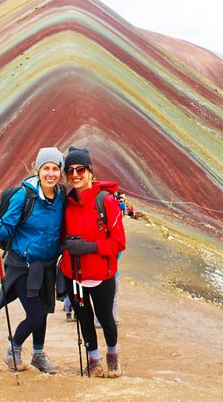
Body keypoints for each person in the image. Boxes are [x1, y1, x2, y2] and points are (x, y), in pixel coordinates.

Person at [0, 147, 65, 374]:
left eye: (55, 168)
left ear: (61, 171)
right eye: (46, 168)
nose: (51, 173)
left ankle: (38, 355)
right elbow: (7, 227)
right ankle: (14, 349)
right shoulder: (24, 195)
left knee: (44, 312)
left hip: (46, 265)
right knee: (36, 315)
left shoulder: (61, 195)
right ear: (38, 170)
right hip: (22, 266)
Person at [60, 146, 126, 378]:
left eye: (80, 169)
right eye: (70, 171)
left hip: (101, 274)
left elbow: (118, 243)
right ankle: (93, 360)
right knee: (84, 318)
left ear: (90, 170)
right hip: (73, 274)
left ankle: (113, 356)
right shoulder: (66, 203)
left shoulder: (105, 201)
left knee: (105, 317)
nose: (75, 175)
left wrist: (88, 247)